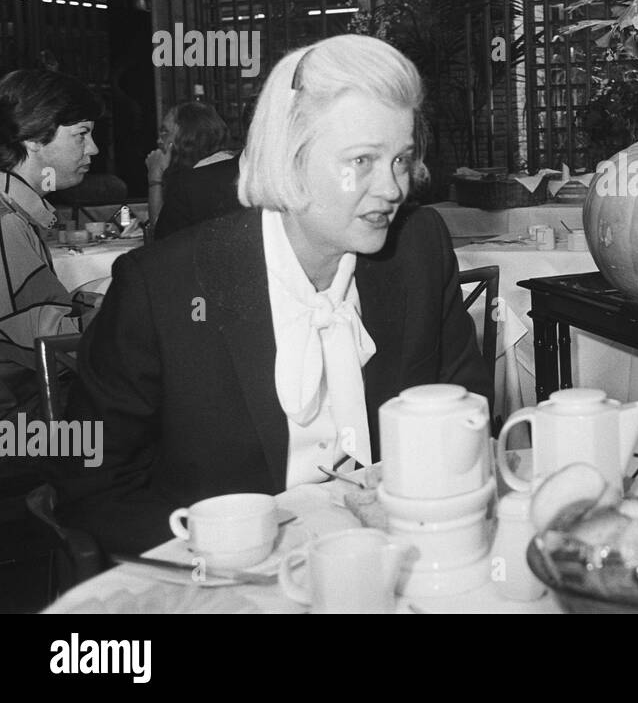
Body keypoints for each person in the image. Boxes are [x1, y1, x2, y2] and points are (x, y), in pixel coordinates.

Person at [56, 36, 492, 552]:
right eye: (362, 161)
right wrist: (224, 554)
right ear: (289, 157)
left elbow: (468, 416)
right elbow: (93, 481)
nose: (393, 187)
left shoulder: (419, 248)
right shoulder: (162, 288)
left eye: (400, 159)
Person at [0, 70, 103, 493]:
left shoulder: (15, 210)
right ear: (35, 139)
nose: (93, 149)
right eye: (81, 134)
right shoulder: (7, 223)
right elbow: (51, 342)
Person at [146, 101, 237, 237]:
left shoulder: (189, 183)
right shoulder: (232, 165)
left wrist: (154, 176)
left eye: (165, 133)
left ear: (187, 137)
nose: (159, 141)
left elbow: (162, 241)